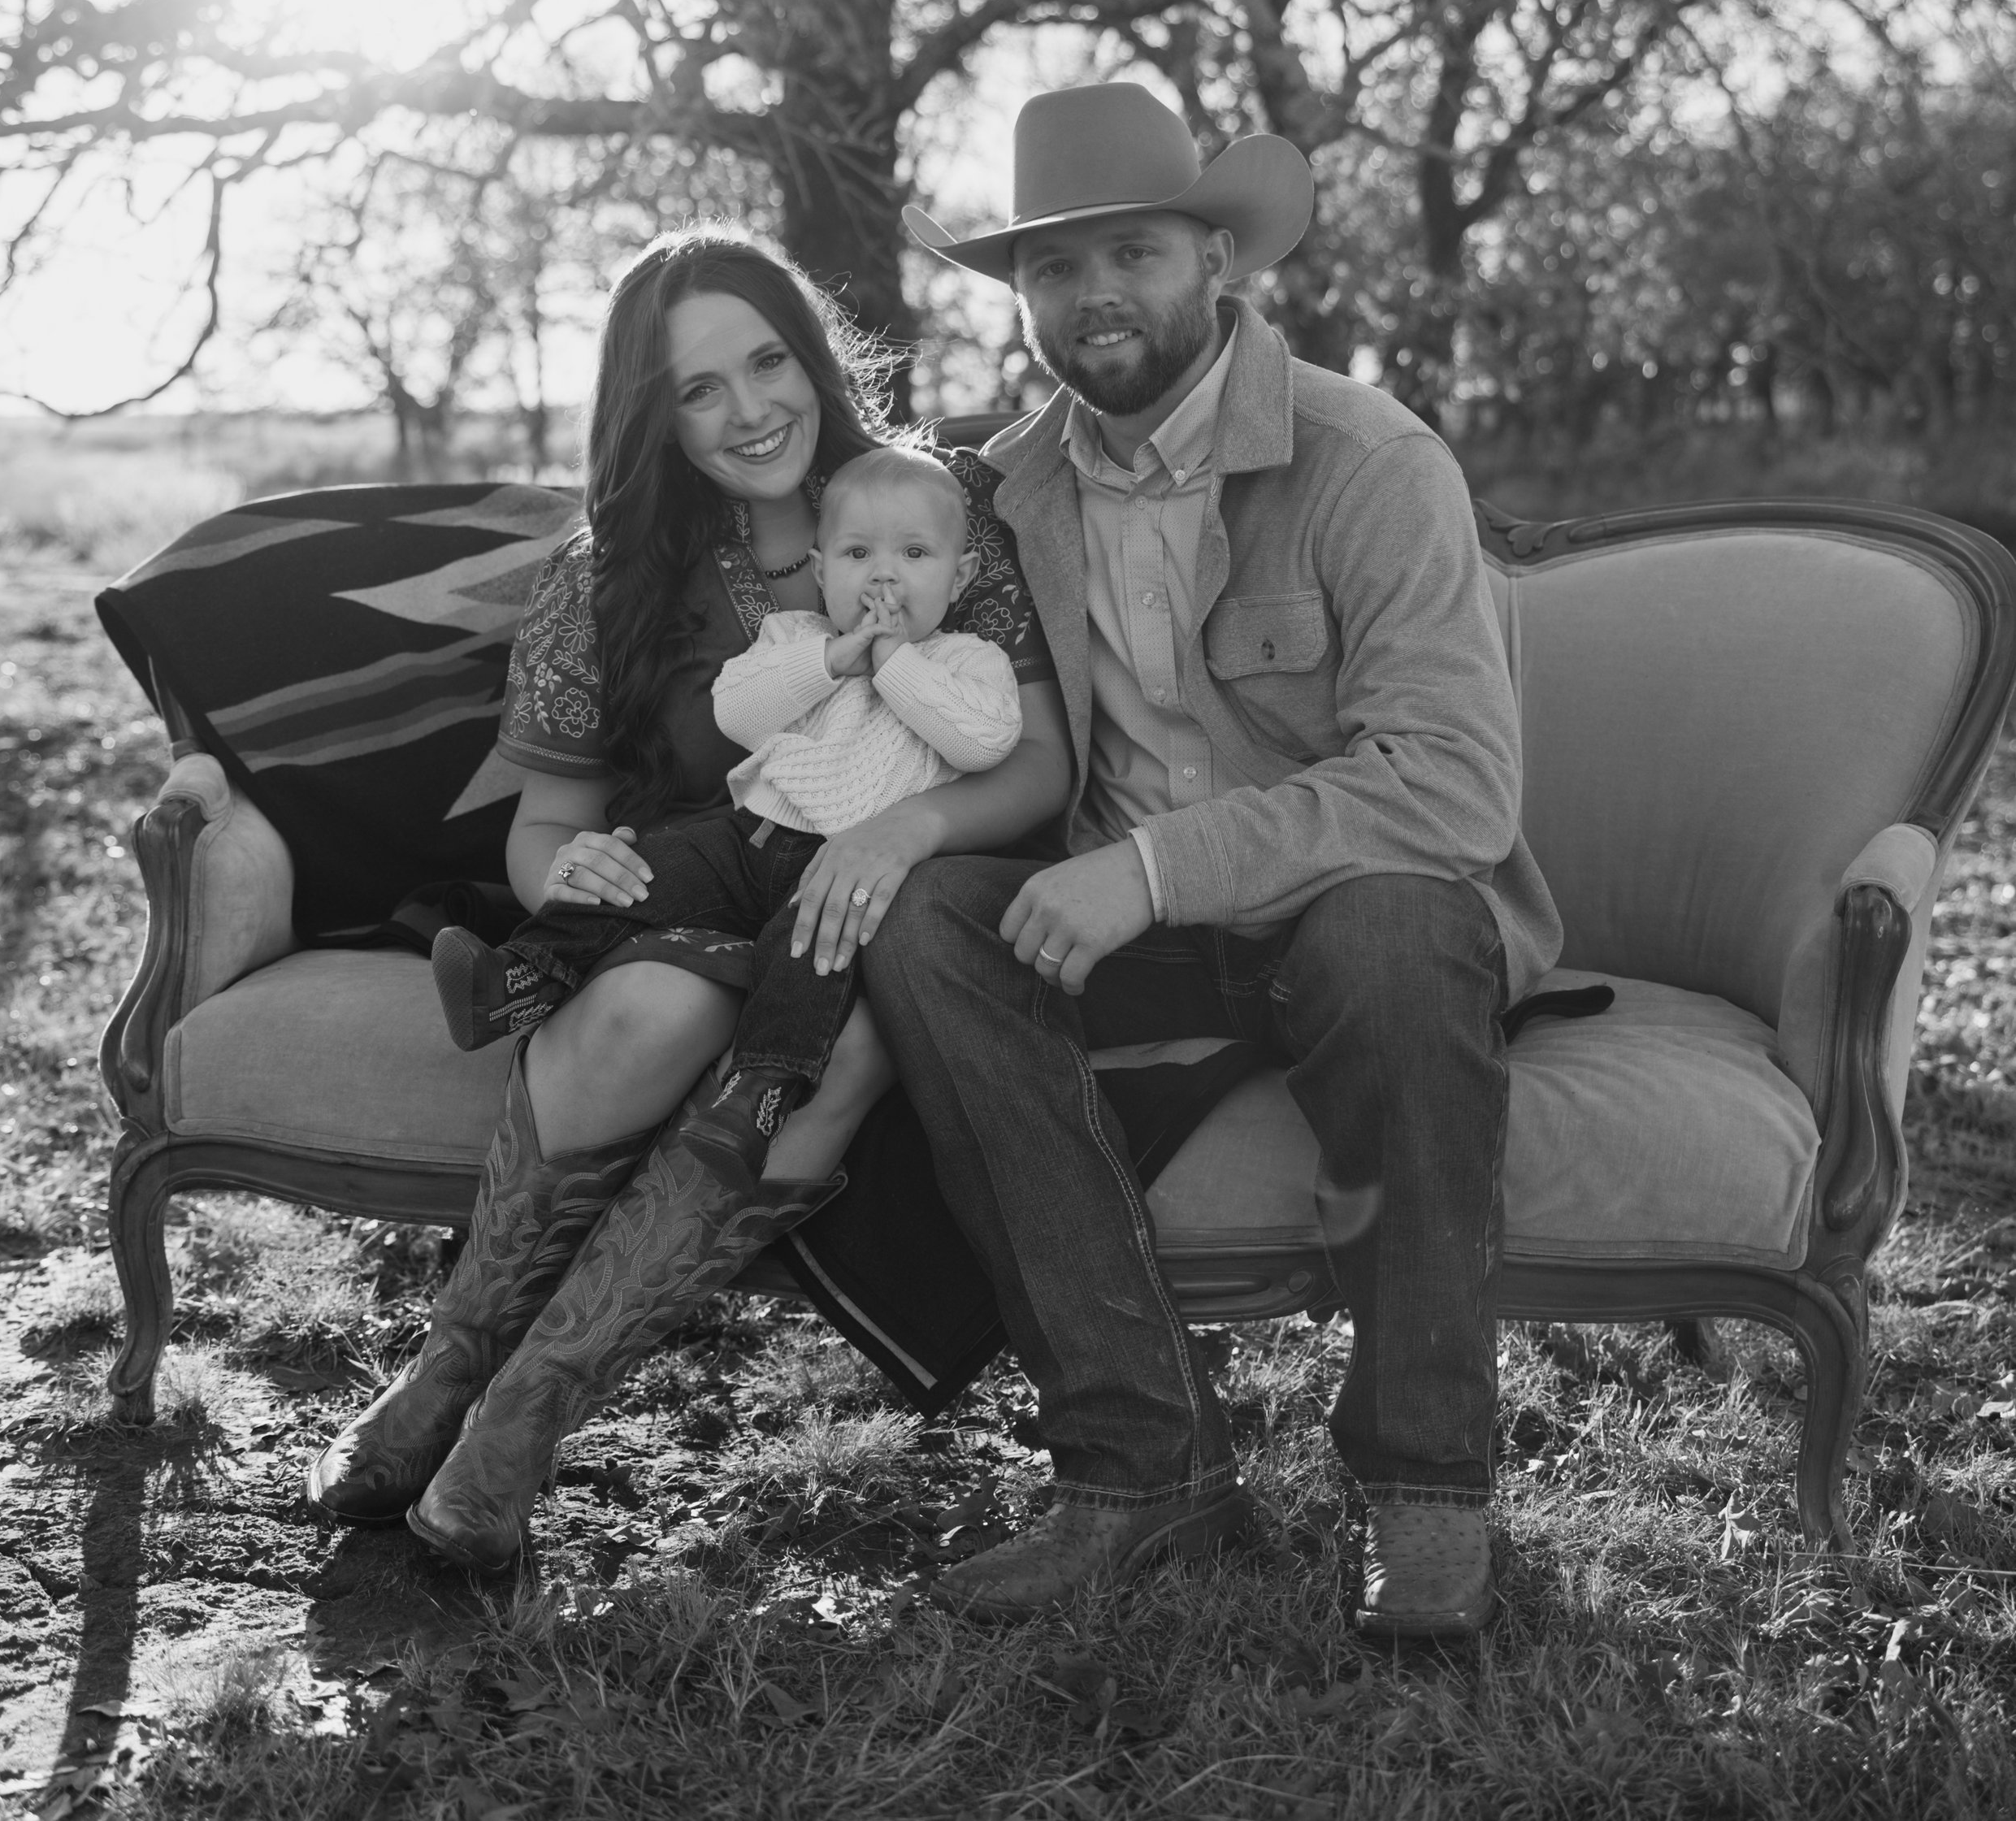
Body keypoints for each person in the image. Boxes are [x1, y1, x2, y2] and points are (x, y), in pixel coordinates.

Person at [865, 82, 1562, 1637]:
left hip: (1347, 902)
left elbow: (1451, 784)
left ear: (1217, 263)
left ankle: (1428, 1490)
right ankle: (1142, 1463)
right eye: (1056, 268)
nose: (1095, 295)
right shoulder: (1005, 490)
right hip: (1116, 918)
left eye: (1134, 253)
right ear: (1024, 302)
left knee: (1395, 934)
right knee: (924, 926)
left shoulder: (1367, 459)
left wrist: (1160, 868)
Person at [306, 228, 1069, 1571]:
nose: (749, 409)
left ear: (816, 358)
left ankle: (516, 1435)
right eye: (696, 390)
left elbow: (1035, 759)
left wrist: (902, 834)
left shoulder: (932, 509)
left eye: (768, 361)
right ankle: (445, 1375)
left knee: (831, 1047)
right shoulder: (604, 574)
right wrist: (570, 870)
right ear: (652, 415)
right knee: (639, 1018)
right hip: (703, 886)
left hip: (904, 896)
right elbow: (549, 821)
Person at [427, 446, 1021, 1065]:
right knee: (642, 876)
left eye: (915, 554)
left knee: (811, 964)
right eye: (857, 554)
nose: (883, 577)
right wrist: (831, 662)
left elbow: (982, 742)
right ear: (821, 572)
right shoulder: (797, 637)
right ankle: (518, 979)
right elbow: (736, 712)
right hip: (748, 840)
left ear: (960, 575)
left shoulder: (967, 661)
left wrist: (894, 663)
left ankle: (760, 1089)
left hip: (843, 869)